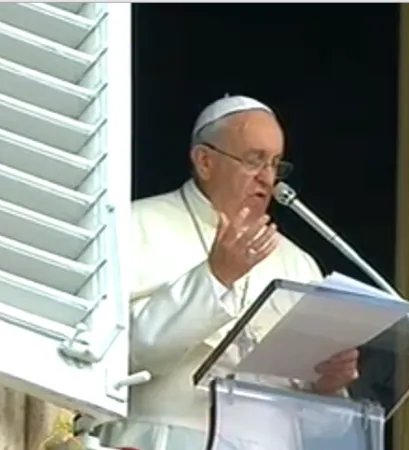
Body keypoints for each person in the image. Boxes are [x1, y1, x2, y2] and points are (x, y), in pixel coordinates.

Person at [97, 95, 360, 450]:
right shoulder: (133, 226)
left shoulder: (298, 263)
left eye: (276, 164)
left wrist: (328, 385)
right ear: (205, 161)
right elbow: (117, 354)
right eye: (254, 161)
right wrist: (215, 278)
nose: (268, 180)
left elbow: (318, 427)